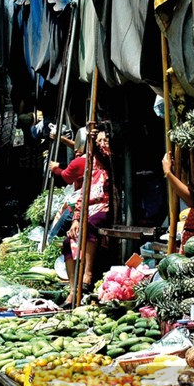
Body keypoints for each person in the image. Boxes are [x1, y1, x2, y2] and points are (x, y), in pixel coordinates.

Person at [63, 129, 112, 305]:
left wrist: (94, 142)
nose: (101, 143)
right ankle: (72, 289)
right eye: (98, 141)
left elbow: (105, 153)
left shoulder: (109, 162)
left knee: (90, 225)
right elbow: (82, 195)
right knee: (68, 241)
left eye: (104, 140)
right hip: (87, 209)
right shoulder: (88, 166)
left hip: (104, 207)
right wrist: (76, 219)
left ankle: (87, 273)